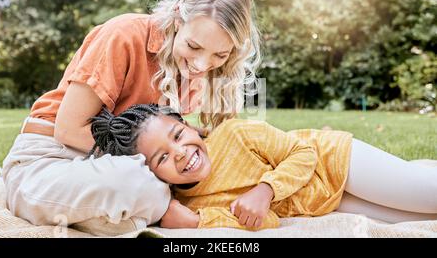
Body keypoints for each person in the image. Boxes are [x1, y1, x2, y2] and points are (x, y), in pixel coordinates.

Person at [1, 0, 261, 228]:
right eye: (193, 47)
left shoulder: (194, 71)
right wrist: (155, 165)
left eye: (220, 54)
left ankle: (131, 214)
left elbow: (218, 140)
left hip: (111, 165)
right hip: (51, 158)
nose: (202, 65)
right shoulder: (124, 34)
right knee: (140, 184)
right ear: (178, 17)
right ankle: (151, 209)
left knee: (157, 188)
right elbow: (68, 130)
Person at [88, 104, 437, 230]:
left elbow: (303, 153)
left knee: (427, 193)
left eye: (178, 135)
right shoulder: (191, 205)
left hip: (335, 160)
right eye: (162, 157)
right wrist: (198, 222)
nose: (180, 153)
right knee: (421, 219)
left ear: (191, 126)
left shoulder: (235, 133)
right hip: (324, 201)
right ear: (152, 173)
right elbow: (265, 220)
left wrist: (265, 189)